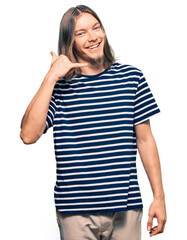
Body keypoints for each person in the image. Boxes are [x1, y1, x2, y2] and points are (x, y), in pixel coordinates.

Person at [20, 5, 167, 240]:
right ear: (70, 42)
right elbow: (28, 135)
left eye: (96, 28)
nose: (92, 37)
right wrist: (50, 78)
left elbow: (146, 140)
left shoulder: (132, 78)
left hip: (126, 209)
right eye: (81, 33)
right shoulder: (59, 88)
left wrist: (159, 197)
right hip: (75, 213)